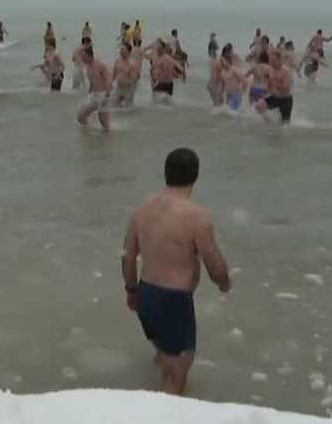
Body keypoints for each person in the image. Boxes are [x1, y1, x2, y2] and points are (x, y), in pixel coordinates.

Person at [121, 148, 231, 395]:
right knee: (178, 371)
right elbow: (214, 265)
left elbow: (128, 255)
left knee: (163, 354)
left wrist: (131, 290)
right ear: (196, 176)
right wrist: (225, 283)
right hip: (174, 301)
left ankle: (146, 395)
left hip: (146, 295)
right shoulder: (197, 216)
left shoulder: (144, 207)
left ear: (165, 173)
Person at [76, 46, 112, 131]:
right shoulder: (87, 66)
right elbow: (93, 81)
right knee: (82, 117)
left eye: (83, 57)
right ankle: (90, 133)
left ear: (89, 56)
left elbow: (109, 80)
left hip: (103, 95)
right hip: (94, 95)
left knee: (104, 124)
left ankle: (106, 139)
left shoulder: (100, 65)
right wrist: (89, 93)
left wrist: (107, 95)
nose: (82, 59)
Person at [255, 50, 294, 124]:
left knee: (285, 124)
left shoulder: (286, 71)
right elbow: (268, 85)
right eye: (271, 60)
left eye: (274, 60)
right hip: (274, 97)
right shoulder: (270, 70)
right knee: (258, 106)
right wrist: (263, 94)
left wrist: (275, 82)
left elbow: (286, 87)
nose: (272, 63)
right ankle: (268, 122)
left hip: (285, 100)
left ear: (279, 60)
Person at [112, 44, 140, 108]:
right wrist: (110, 83)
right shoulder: (117, 61)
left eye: (123, 49)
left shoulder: (132, 64)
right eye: (121, 49)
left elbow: (134, 79)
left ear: (128, 51)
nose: (121, 51)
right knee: (115, 104)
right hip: (119, 86)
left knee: (128, 108)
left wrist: (131, 88)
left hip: (128, 88)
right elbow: (114, 74)